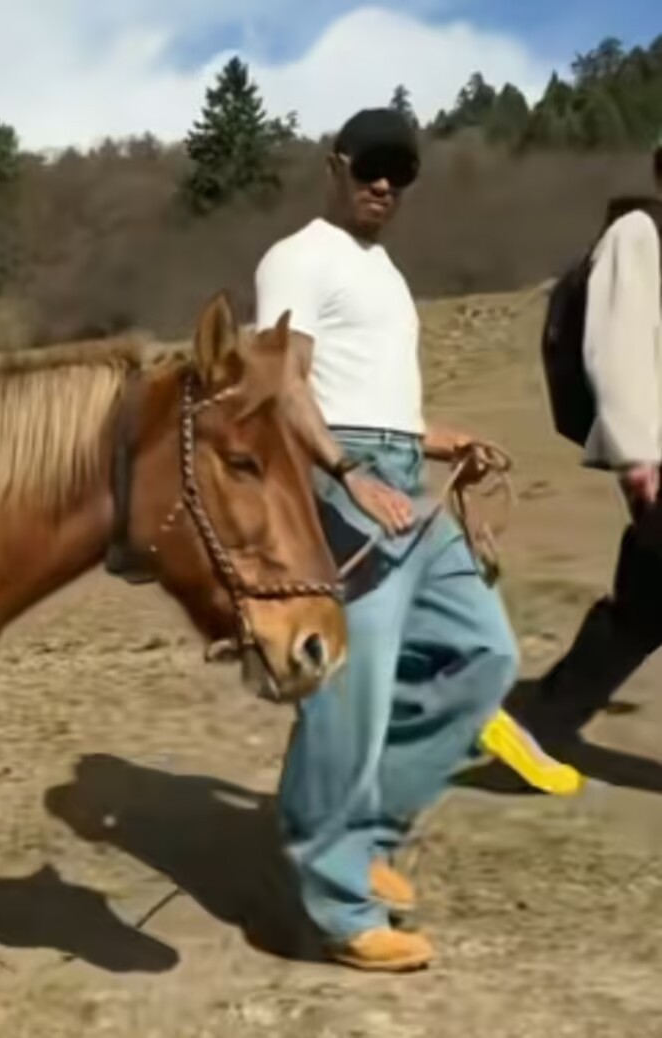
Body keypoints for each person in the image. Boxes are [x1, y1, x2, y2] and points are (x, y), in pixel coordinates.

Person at [254, 108, 521, 972]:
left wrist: (441, 442)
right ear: (334, 164)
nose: (382, 184)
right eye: (369, 166)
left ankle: (358, 828)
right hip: (346, 488)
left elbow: (377, 400)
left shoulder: (385, 271)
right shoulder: (298, 257)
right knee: (348, 693)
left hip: (403, 477)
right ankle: (336, 908)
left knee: (483, 654)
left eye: (398, 173)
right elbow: (283, 387)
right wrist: (345, 474)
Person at [518, 136, 662, 748]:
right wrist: (636, 457)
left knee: (647, 605)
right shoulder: (639, 234)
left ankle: (541, 721)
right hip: (657, 458)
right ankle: (540, 722)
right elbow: (619, 345)